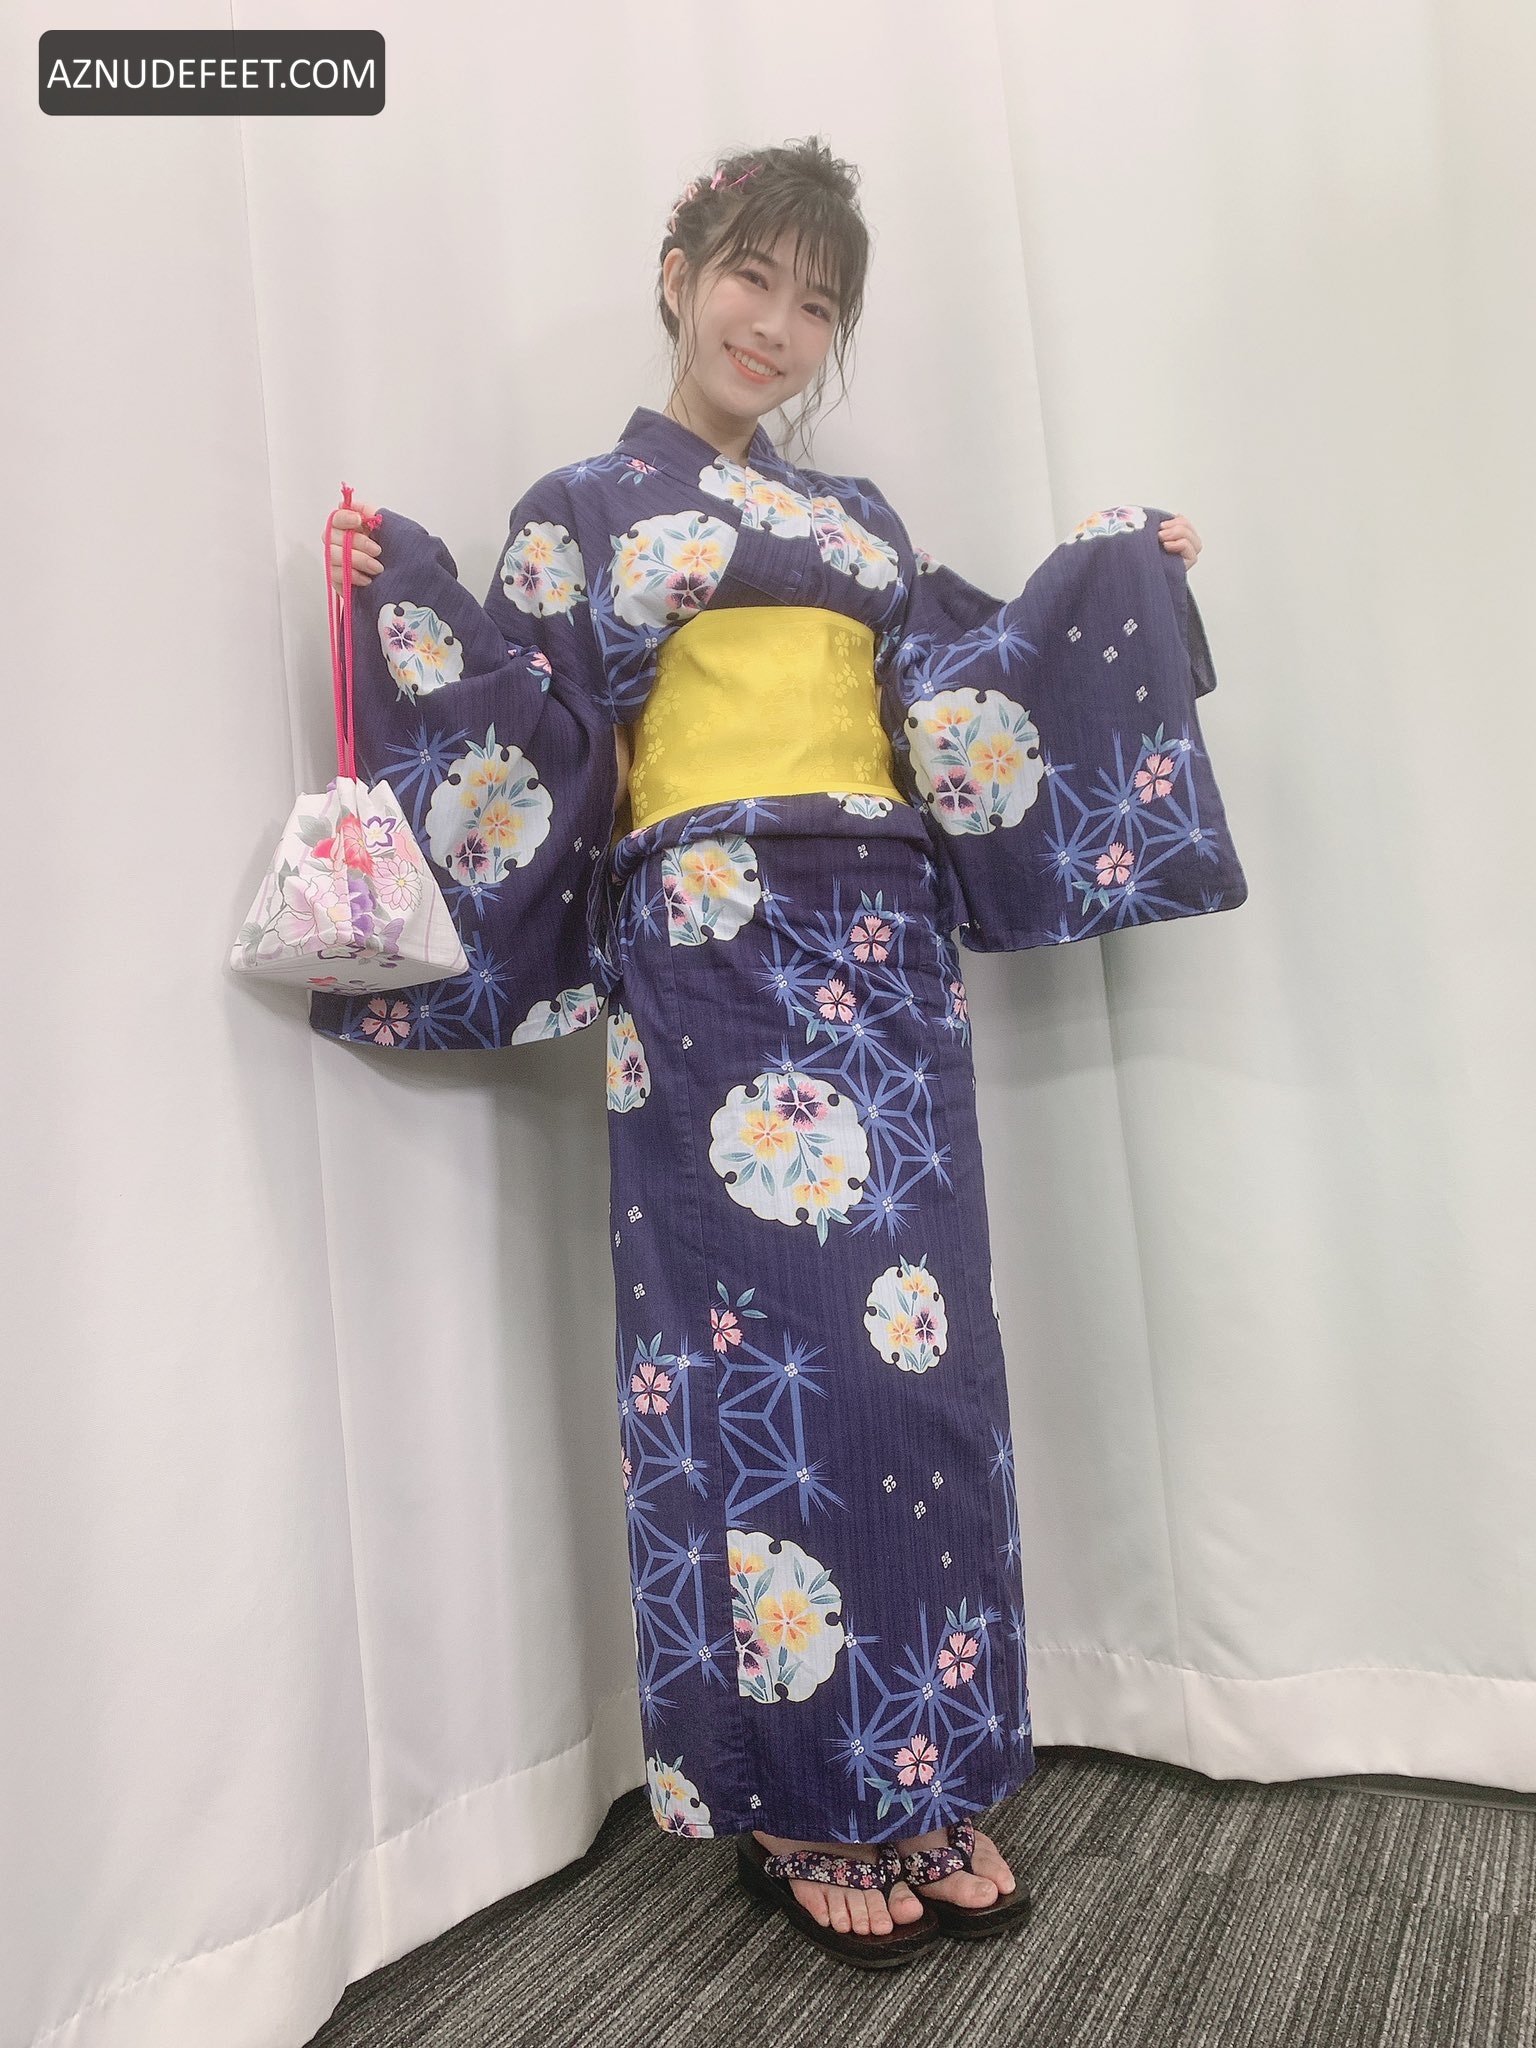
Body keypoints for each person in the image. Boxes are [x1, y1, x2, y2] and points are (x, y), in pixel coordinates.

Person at [316, 136, 1235, 1968]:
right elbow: (531, 730)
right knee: (768, 1368)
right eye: (752, 278)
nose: (777, 326)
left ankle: (931, 1770)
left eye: (817, 305)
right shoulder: (582, 507)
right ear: (679, 273)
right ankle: (803, 1795)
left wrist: (1120, 575)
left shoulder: (865, 521)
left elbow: (967, 687)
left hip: (888, 945)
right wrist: (402, 586)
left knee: (926, 1369)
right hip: (711, 955)